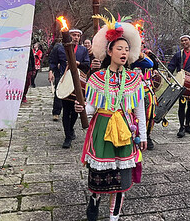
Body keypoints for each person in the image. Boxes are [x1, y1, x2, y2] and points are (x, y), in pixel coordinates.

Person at [75, 15, 146, 221]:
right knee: (100, 177)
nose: (124, 52)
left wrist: (143, 136)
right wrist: (82, 109)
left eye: (126, 49)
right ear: (109, 51)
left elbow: (138, 108)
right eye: (119, 49)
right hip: (102, 129)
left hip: (125, 130)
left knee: (122, 180)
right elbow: (90, 107)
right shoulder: (97, 78)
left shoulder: (135, 78)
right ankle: (95, 198)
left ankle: (114, 218)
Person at [48, 28, 90, 148]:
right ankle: (67, 137)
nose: (75, 37)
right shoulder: (60, 48)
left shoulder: (83, 50)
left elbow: (87, 65)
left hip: (77, 83)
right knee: (66, 110)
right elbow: (53, 61)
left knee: (75, 110)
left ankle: (70, 129)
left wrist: (78, 64)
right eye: (73, 35)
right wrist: (51, 71)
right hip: (64, 81)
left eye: (77, 35)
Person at [131, 44, 159, 150]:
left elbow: (153, 65)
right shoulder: (129, 56)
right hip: (132, 88)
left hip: (147, 88)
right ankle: (135, 134)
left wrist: (149, 55)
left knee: (150, 113)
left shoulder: (146, 55)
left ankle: (147, 135)